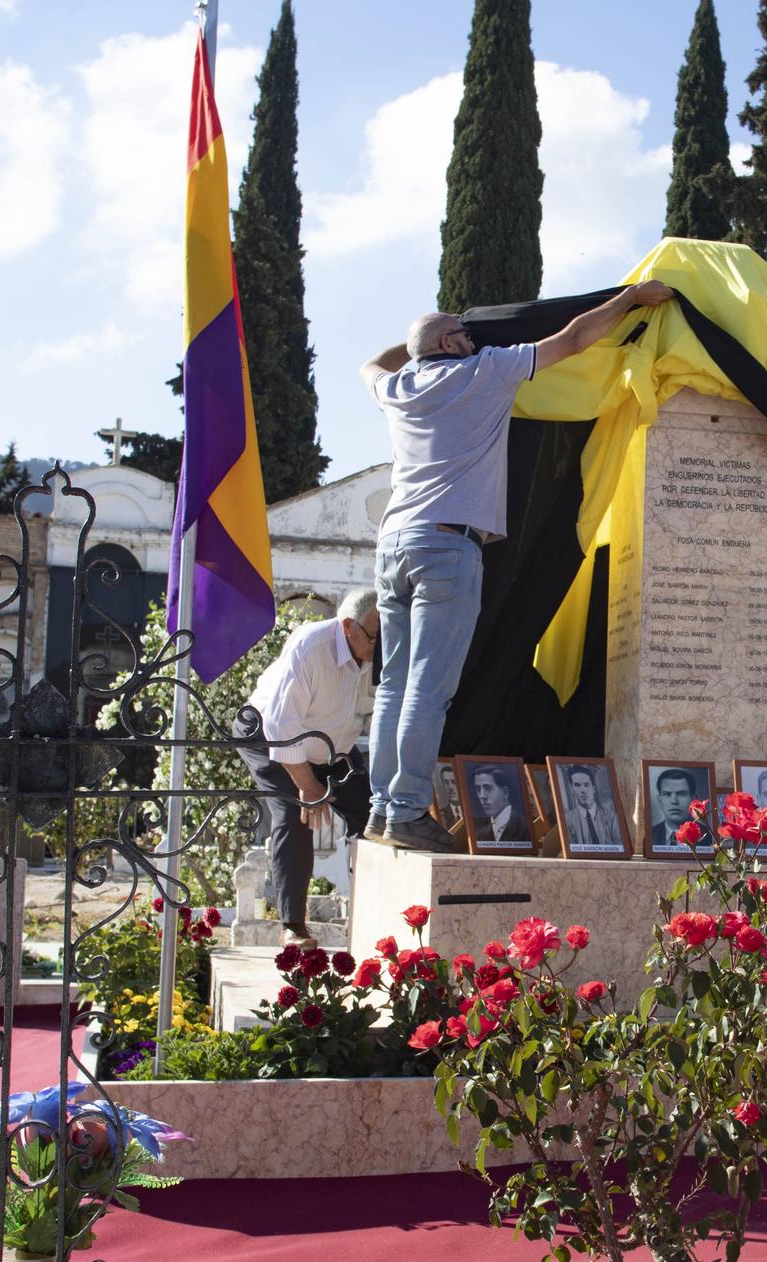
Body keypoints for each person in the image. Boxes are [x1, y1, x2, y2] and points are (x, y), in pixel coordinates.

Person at [360, 280, 676, 852]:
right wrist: (630, 300)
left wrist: (429, 340)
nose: (473, 338)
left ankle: (382, 809)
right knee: (427, 691)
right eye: (464, 333)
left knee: (392, 687)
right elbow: (575, 337)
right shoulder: (484, 372)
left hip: (393, 544)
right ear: (453, 345)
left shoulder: (399, 387)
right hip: (447, 547)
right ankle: (406, 810)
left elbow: (370, 363)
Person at [241, 589, 381, 947]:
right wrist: (307, 784)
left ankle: (375, 910)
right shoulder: (312, 646)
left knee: (374, 812)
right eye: (372, 636)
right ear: (348, 626)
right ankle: (294, 926)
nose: (377, 645)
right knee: (295, 813)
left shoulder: (372, 652)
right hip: (270, 735)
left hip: (333, 747)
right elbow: (281, 727)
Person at [562, 765, 623, 847]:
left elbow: (619, 846)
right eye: (577, 785)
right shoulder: (568, 820)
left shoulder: (611, 817)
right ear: (572, 789)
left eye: (586, 785)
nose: (582, 790)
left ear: (593, 788)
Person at [469, 765, 530, 845]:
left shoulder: (526, 828)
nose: (482, 795)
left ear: (505, 792)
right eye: (478, 789)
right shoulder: (480, 834)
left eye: (488, 788)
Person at [647, 767, 703, 849]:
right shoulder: (648, 836)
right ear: (659, 800)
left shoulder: (709, 837)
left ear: (694, 800)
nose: (674, 801)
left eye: (682, 794)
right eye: (666, 794)